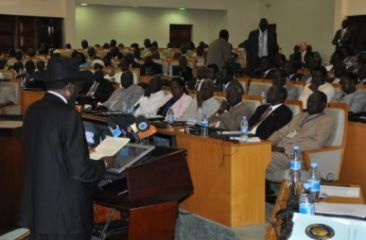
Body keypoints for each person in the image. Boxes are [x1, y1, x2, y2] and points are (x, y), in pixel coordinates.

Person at [19, 57, 112, 239]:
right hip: (65, 214)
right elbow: (80, 170)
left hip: (39, 209)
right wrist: (104, 164)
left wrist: (80, 151)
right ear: (69, 87)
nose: (79, 91)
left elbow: (45, 150)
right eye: (78, 87)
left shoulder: (33, 110)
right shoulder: (69, 115)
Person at [266, 91, 333, 180]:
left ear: (323, 104)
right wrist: (268, 143)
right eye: (309, 101)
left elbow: (316, 144)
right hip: (278, 151)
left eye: (313, 102)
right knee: (254, 155)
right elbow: (281, 132)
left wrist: (284, 149)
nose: (309, 104)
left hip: (294, 156)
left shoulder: (326, 120)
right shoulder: (301, 116)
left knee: (261, 159)